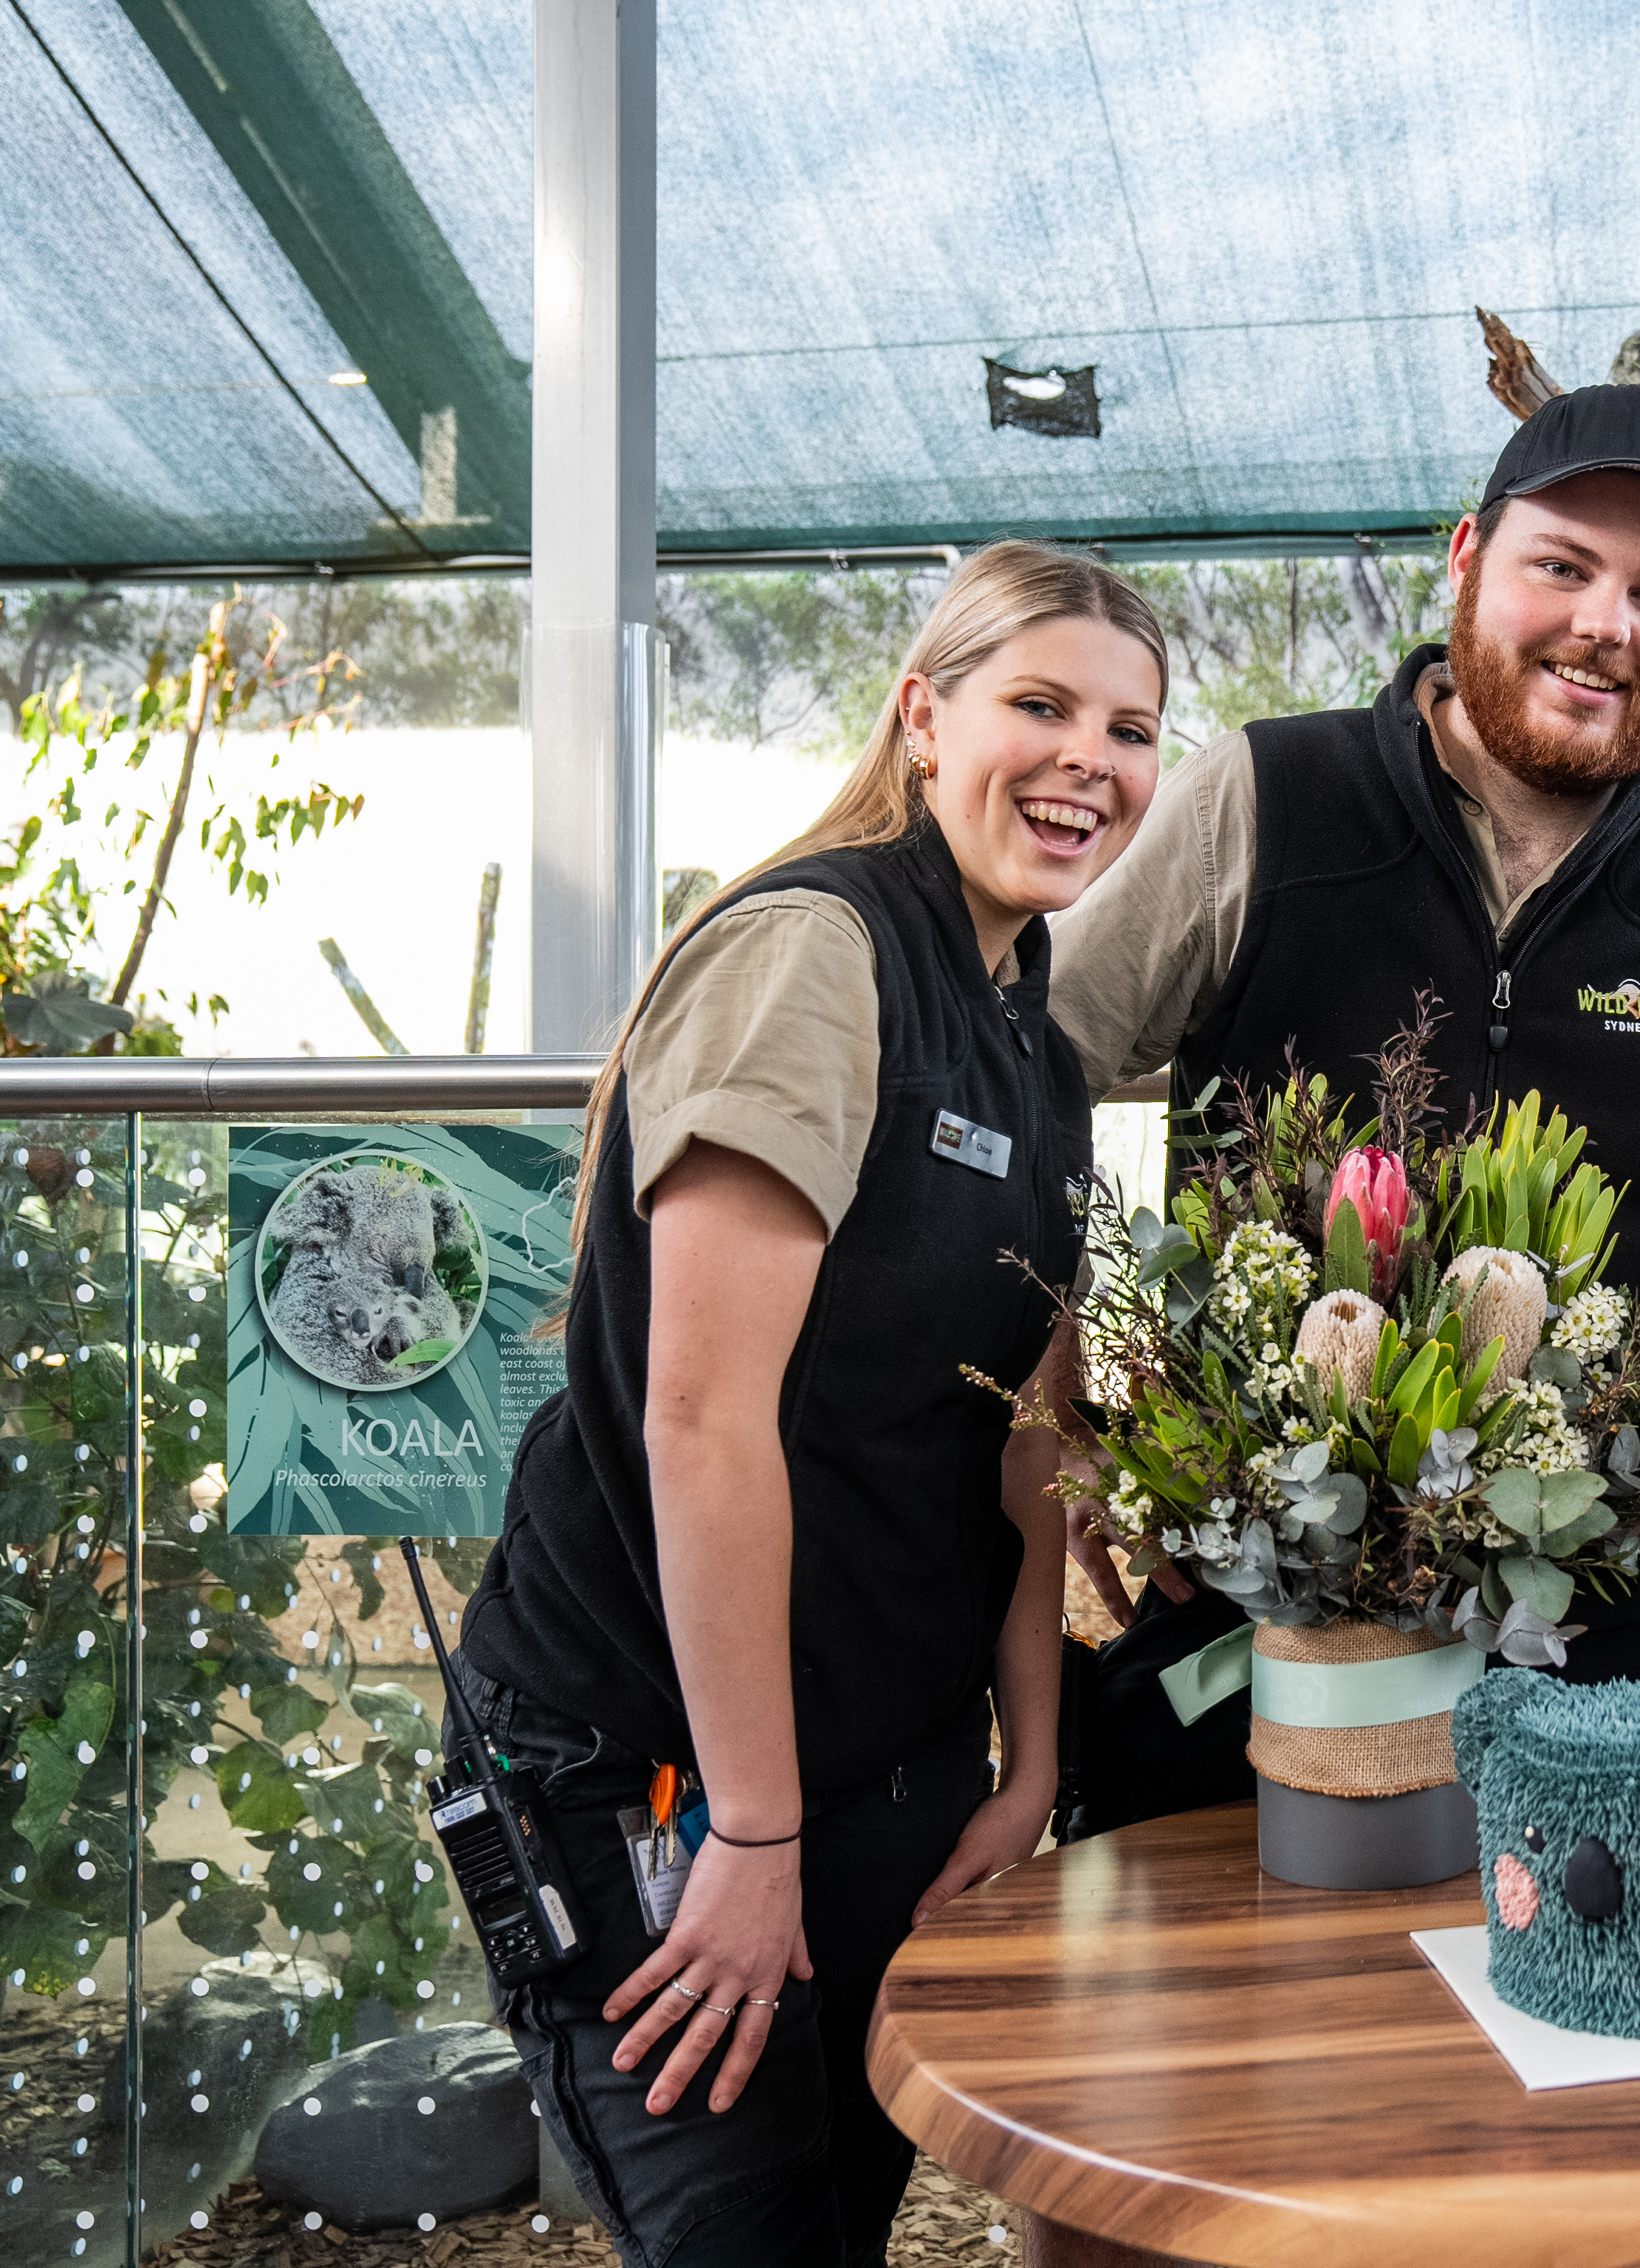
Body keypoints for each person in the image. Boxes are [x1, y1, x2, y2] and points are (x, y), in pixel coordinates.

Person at [1046, 384, 1640, 1824]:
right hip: (1258, 1624)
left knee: (1580, 2018)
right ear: (1467, 559)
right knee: (1245, 2029)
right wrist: (1060, 1412)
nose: (1605, 624)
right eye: (1562, 567)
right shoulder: (1267, 800)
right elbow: (1020, 1076)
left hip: (1607, 1655)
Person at [453, 542, 1168, 2267]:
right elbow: (699, 1425)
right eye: (1042, 704)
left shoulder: (1036, 1044)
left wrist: (1031, 1757)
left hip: (886, 1762)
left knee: (841, 2221)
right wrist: (751, 1832)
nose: (1091, 759)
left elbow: (1027, 1448)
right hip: (659, 1770)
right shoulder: (814, 955)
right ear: (926, 718)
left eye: (1134, 731)